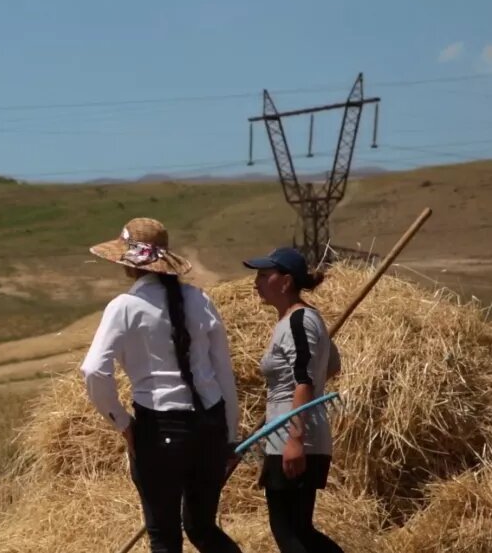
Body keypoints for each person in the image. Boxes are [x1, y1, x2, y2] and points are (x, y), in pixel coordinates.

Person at [80, 217, 242, 553]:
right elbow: (223, 373)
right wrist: (229, 436)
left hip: (160, 430)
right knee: (202, 528)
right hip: (210, 425)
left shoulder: (124, 307)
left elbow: (94, 370)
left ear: (128, 263)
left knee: (164, 538)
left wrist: (122, 424)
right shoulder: (200, 299)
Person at [242, 247, 343, 553]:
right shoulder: (296, 320)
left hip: (296, 437)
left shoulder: (300, 322)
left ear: (285, 282)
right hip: (289, 434)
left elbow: (306, 380)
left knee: (290, 534)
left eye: (263, 275)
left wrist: (295, 438)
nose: (255, 282)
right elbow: (332, 366)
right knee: (298, 530)